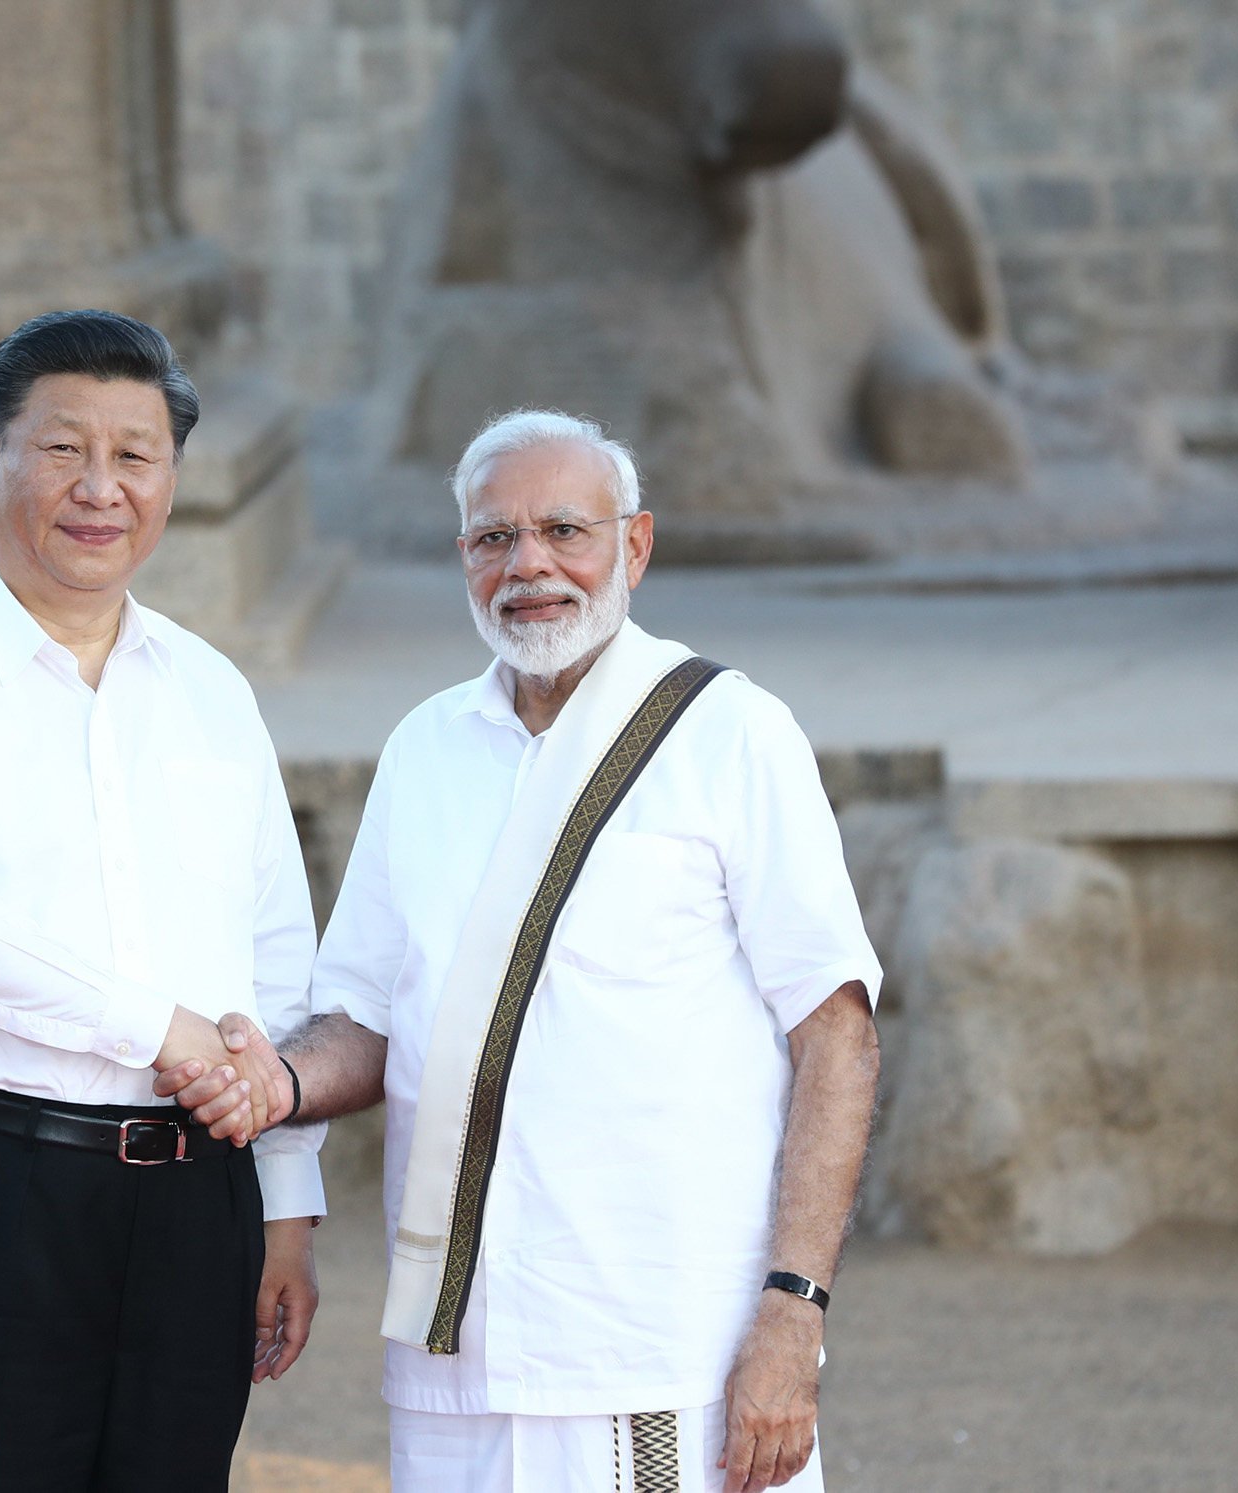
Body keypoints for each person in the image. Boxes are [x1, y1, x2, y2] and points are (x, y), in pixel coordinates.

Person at [160, 409, 882, 1493]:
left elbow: (837, 1037)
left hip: (662, 1335)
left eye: (561, 529)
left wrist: (793, 1311)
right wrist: (271, 1082)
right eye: (493, 537)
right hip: (461, 1348)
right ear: (463, 559)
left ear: (633, 546)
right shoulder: (423, 747)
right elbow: (363, 1015)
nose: (528, 564)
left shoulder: (730, 733)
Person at [0, 309, 325, 1492]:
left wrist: (284, 1202)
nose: (101, 488)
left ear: (172, 474)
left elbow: (276, 959)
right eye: (62, 449)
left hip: (198, 1199)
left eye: (135, 455)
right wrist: (159, 1028)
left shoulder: (208, 688)